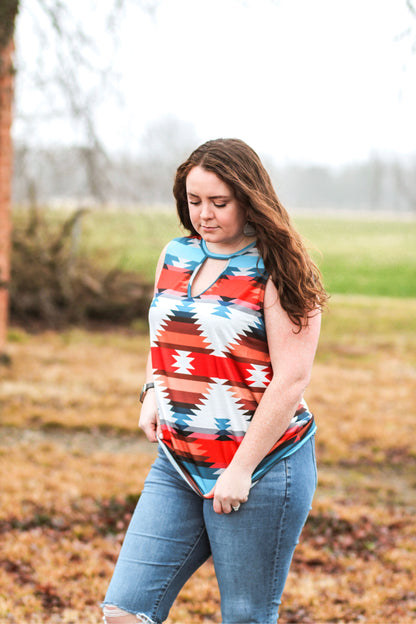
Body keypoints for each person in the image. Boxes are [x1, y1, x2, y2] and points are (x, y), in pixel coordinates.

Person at [101, 138, 327, 624]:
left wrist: (242, 469)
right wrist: (151, 393)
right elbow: (165, 335)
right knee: (124, 611)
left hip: (263, 467)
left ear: (250, 198)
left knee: (245, 616)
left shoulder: (281, 267)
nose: (204, 214)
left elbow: (292, 380)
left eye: (218, 202)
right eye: (194, 200)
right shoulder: (175, 254)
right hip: (178, 461)